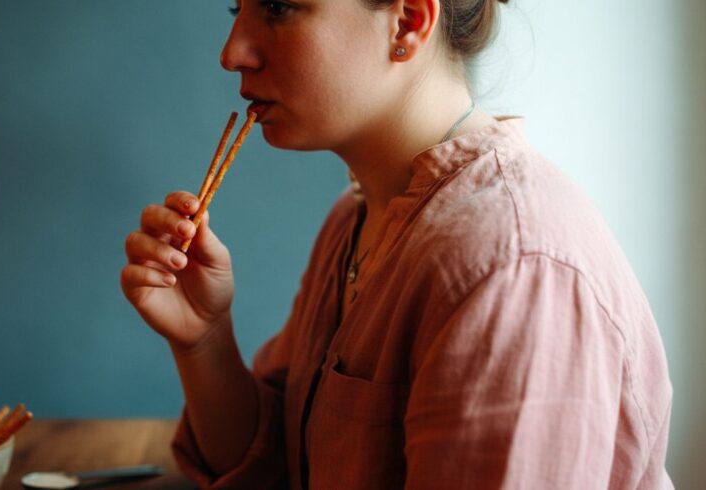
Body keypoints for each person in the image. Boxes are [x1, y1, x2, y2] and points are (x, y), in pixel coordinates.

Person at [120, 0, 674, 488]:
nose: (232, 51)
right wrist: (205, 342)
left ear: (407, 23)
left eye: (279, 7)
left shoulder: (512, 263)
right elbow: (279, 465)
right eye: (234, 10)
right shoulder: (355, 218)